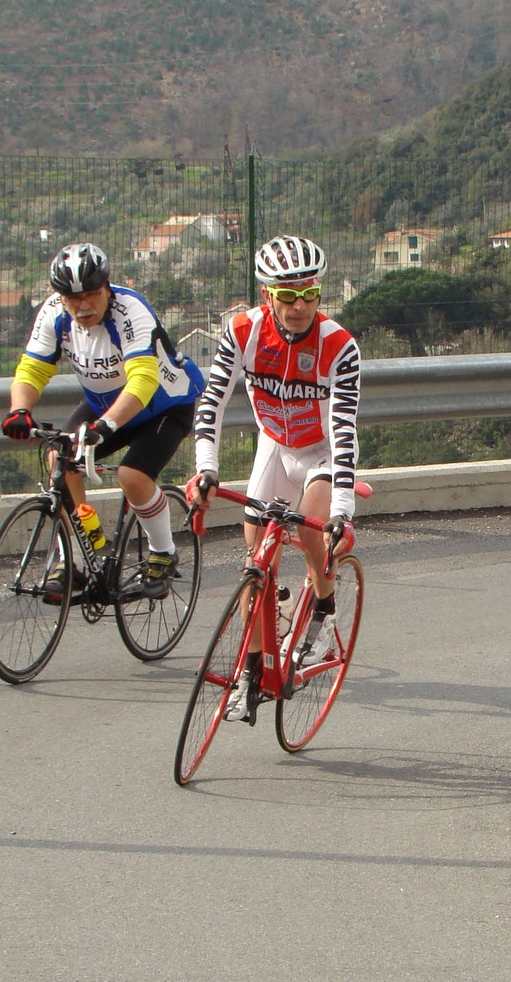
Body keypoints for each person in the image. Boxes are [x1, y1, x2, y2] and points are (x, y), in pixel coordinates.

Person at [190, 234, 360, 720]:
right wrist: (206, 469)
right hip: (274, 446)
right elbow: (212, 404)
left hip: (320, 452)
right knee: (254, 564)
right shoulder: (241, 332)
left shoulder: (339, 346)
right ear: (268, 295)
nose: (300, 305)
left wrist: (342, 513)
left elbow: (344, 431)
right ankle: (251, 672)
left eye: (310, 293)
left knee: (310, 532)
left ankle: (324, 609)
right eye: (287, 295)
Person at [2, 242, 204, 598]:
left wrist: (107, 426)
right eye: (72, 298)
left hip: (163, 405)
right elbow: (32, 369)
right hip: (104, 404)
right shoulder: (54, 313)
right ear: (60, 297)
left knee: (132, 475)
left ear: (106, 288)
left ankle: (163, 553)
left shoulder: (130, 312)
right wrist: (20, 411)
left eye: (92, 295)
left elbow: (143, 379)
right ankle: (80, 554)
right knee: (61, 459)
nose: (83, 306)